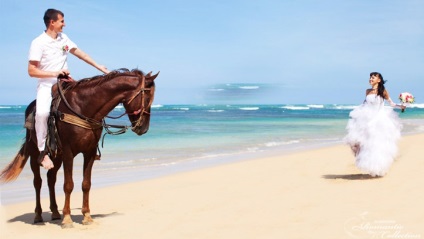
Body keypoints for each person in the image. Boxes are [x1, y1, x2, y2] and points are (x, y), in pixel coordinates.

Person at [28, 9, 110, 170]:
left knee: (90, 103)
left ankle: (92, 146)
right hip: (47, 85)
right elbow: (31, 71)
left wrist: (99, 66)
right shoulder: (38, 42)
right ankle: (42, 153)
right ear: (52, 22)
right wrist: (54, 73)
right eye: (62, 21)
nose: (64, 24)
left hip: (66, 82)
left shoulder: (63, 38)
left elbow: (80, 54)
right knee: (42, 114)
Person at [344, 72, 405, 177]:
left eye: (373, 77)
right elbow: (365, 104)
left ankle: (378, 168)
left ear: (379, 80)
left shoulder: (383, 91)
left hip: (379, 120)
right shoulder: (367, 91)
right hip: (366, 120)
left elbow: (391, 103)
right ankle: (369, 165)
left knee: (376, 145)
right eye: (370, 77)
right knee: (357, 142)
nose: (371, 79)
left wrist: (402, 106)